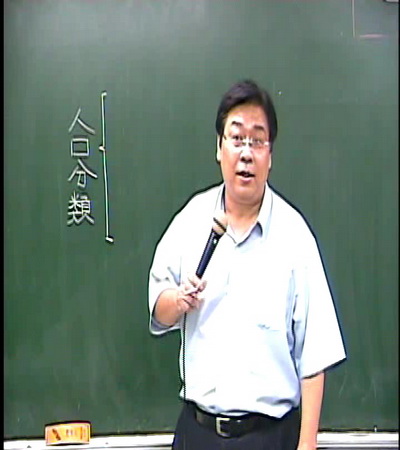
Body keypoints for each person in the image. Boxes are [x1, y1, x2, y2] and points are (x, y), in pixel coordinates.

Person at [148, 79, 346, 450]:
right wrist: (178, 301)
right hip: (198, 432)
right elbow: (158, 310)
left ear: (270, 156)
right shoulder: (191, 220)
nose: (246, 153)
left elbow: (315, 353)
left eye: (257, 140)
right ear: (219, 148)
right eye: (237, 138)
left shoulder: (294, 236)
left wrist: (307, 445)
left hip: (271, 435)